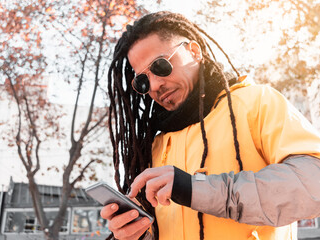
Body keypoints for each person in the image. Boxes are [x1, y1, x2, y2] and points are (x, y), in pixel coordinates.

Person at [101, 11, 320, 240]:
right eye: (143, 81)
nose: (155, 85)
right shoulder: (156, 145)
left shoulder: (256, 102)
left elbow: (314, 183)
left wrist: (196, 189)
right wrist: (132, 234)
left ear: (194, 52)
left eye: (160, 66)